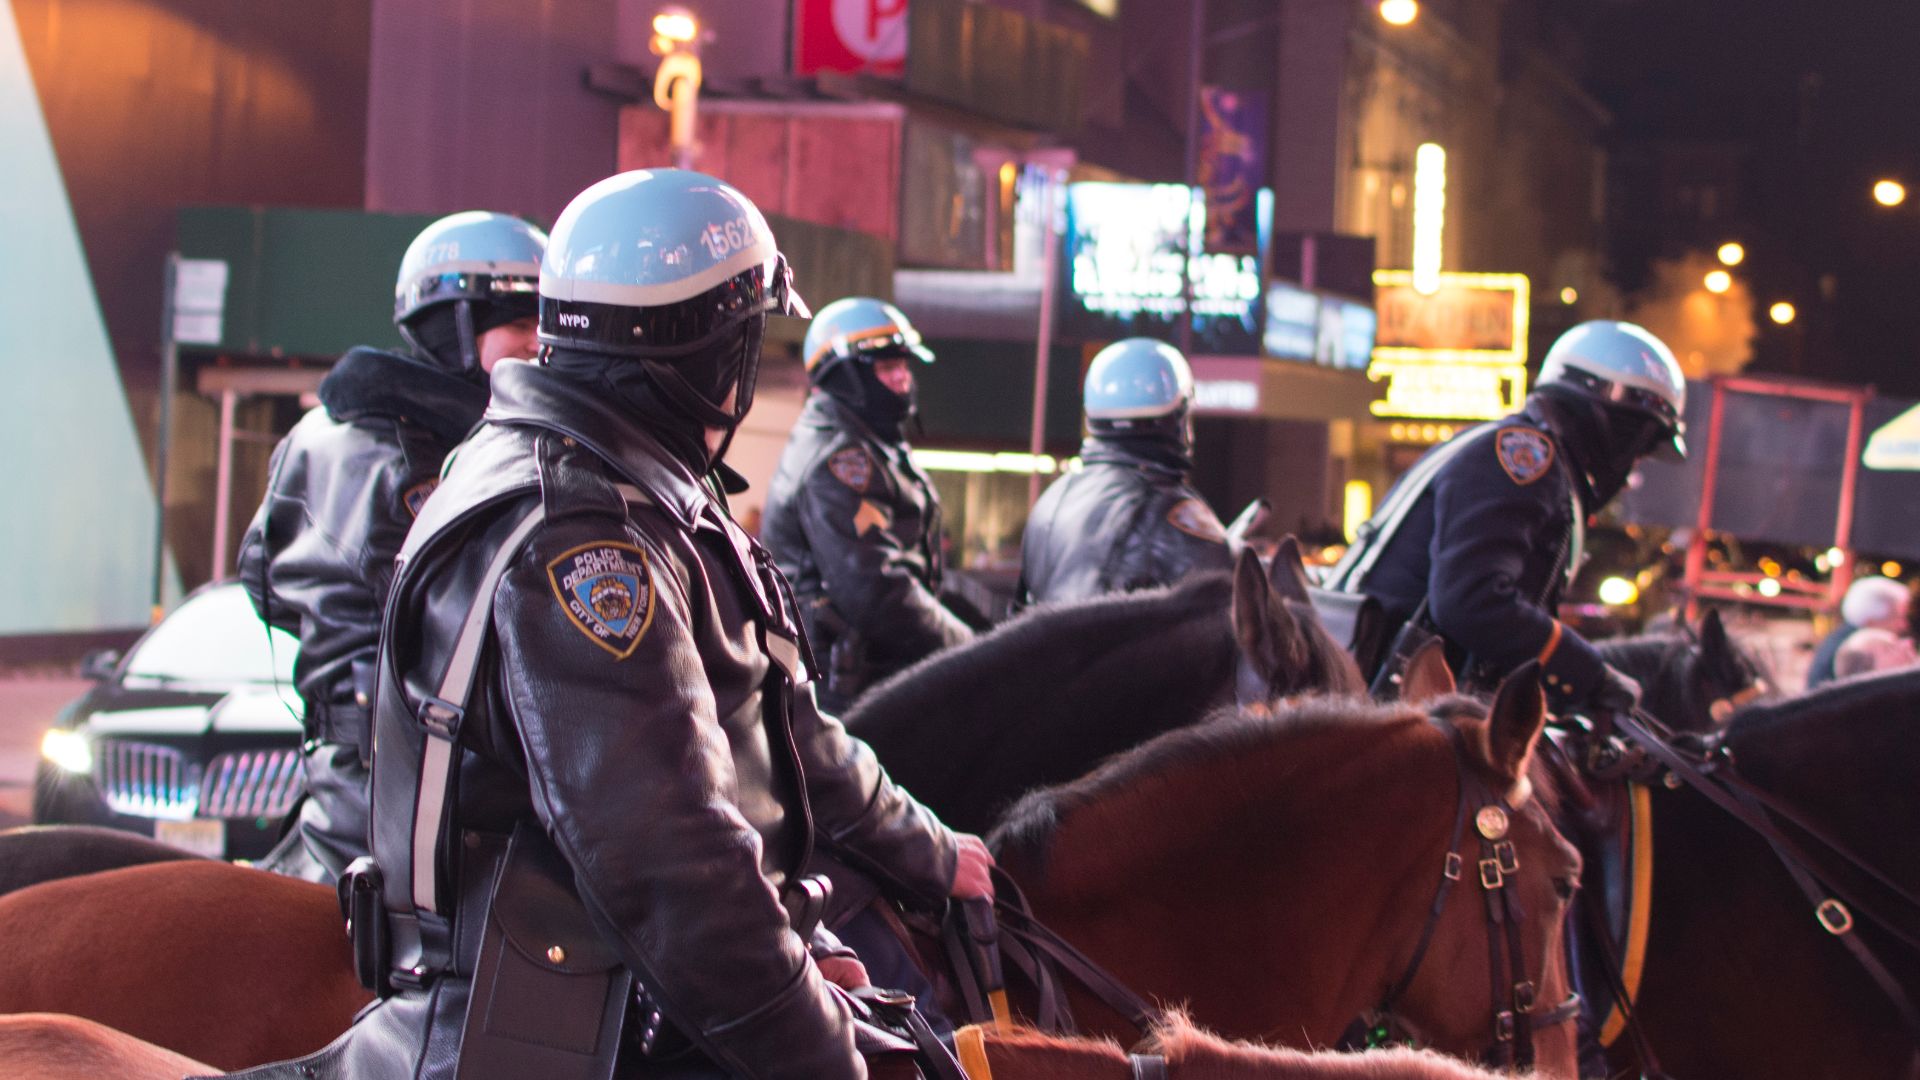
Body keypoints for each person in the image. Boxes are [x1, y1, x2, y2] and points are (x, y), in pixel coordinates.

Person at [301, 170, 991, 1080]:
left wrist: (930, 852)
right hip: (567, 1023)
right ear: (715, 353)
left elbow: (782, 725)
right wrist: (820, 1052)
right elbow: (671, 861)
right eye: (750, 342)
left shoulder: (634, 487)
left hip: (624, 993)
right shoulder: (581, 538)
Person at [237, 211, 545, 884]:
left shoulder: (314, 433)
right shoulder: (440, 458)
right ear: (454, 323)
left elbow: (260, 580)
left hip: (335, 771)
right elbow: (461, 628)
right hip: (410, 790)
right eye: (520, 324)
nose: (538, 345)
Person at [1325, 319, 1688, 715]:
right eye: (1641, 446)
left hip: (1382, 695)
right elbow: (1471, 600)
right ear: (1615, 424)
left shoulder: (1504, 444)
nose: (1634, 465)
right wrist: (1590, 672)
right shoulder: (1523, 459)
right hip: (1391, 708)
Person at [761, 297, 973, 711]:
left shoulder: (873, 442)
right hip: (840, 688)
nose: (903, 380)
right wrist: (972, 650)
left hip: (869, 672)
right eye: (886, 368)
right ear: (846, 376)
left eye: (904, 366)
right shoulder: (837, 459)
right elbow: (876, 591)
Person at [1018, 337, 1233, 607]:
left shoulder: (1050, 502)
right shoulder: (1181, 514)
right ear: (1178, 420)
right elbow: (1223, 625)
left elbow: (1018, 618)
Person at [1807, 575, 1910, 688]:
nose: (1904, 625)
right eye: (1898, 617)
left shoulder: (1839, 641)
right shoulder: (1854, 651)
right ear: (1871, 621)